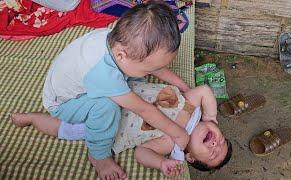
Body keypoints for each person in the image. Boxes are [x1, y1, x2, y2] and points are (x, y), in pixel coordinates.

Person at [10, 2, 190, 180]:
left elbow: (155, 67)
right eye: (148, 70)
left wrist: (183, 86)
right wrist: (177, 132)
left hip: (68, 83)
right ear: (121, 55)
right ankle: (98, 156)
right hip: (64, 103)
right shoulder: (103, 72)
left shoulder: (119, 40)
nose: (151, 73)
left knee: (132, 80)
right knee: (107, 107)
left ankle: (30, 117)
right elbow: (144, 109)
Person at [12, 82, 232, 177]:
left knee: (69, 129)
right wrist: (211, 117)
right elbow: (204, 90)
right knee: (84, 92)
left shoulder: (171, 145)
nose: (215, 144)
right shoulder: (193, 108)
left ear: (191, 157)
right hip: (121, 92)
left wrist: (161, 162)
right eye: (221, 142)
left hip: (107, 123)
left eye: (213, 152)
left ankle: (31, 118)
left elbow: (141, 153)